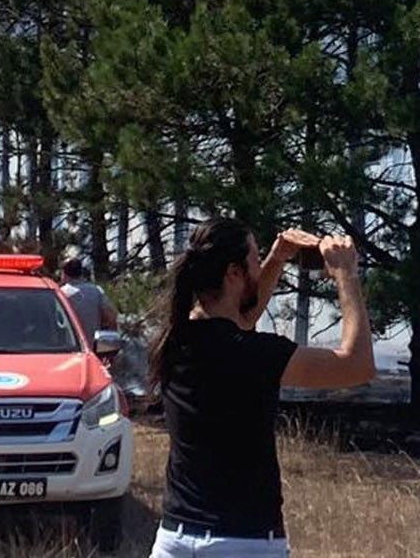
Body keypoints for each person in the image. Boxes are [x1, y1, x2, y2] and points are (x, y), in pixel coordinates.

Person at [150, 218, 373, 556]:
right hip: (244, 542)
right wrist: (347, 276)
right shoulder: (256, 353)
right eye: (255, 257)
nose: (260, 263)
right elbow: (356, 365)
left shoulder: (175, 340)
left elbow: (241, 318)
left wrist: (277, 258)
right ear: (233, 273)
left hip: (175, 538)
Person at [61, 253, 118, 337]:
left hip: (68, 345)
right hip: (93, 344)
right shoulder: (96, 291)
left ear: (64, 274)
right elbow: (111, 317)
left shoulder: (61, 294)